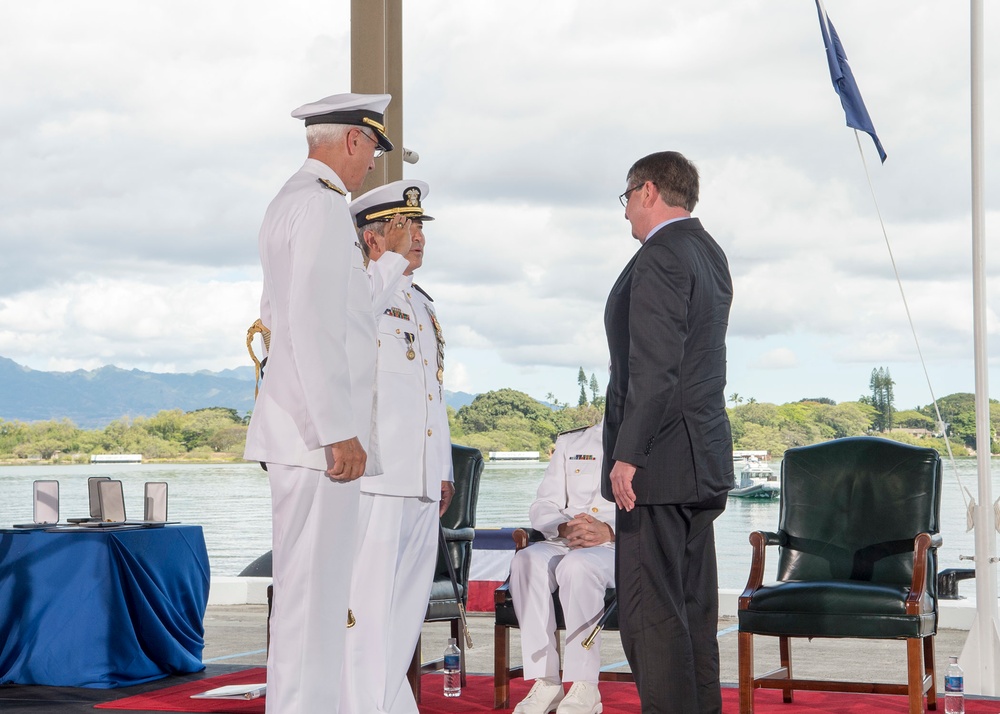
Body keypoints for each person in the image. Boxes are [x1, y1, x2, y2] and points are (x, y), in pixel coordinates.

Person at [243, 92, 413, 714]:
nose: (371, 164)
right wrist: (338, 429)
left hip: (302, 433)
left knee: (312, 601)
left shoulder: (291, 203)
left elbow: (294, 317)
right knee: (312, 603)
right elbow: (311, 328)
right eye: (371, 149)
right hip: (315, 440)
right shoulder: (316, 209)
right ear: (352, 141)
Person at [602, 151, 734, 713]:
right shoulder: (708, 252)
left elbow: (656, 369)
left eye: (627, 198)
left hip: (658, 466)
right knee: (691, 616)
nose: (625, 212)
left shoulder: (659, 256)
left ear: (649, 190)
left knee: (650, 618)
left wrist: (628, 454)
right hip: (700, 460)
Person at [340, 180, 455, 714]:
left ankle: (389, 701)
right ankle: (359, 703)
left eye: (421, 228)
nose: (418, 238)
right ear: (372, 238)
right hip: (378, 477)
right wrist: (380, 266)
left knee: (406, 606)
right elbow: (351, 335)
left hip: (420, 479)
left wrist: (443, 469)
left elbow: (433, 393)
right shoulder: (358, 289)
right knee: (366, 603)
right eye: (405, 227)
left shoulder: (419, 303)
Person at [508, 421, 615, 714]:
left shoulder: (652, 438)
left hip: (619, 548)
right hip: (565, 539)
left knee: (577, 565)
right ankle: (546, 682)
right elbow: (543, 504)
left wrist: (609, 531)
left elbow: (657, 511)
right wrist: (563, 526)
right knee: (525, 560)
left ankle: (585, 687)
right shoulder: (573, 441)